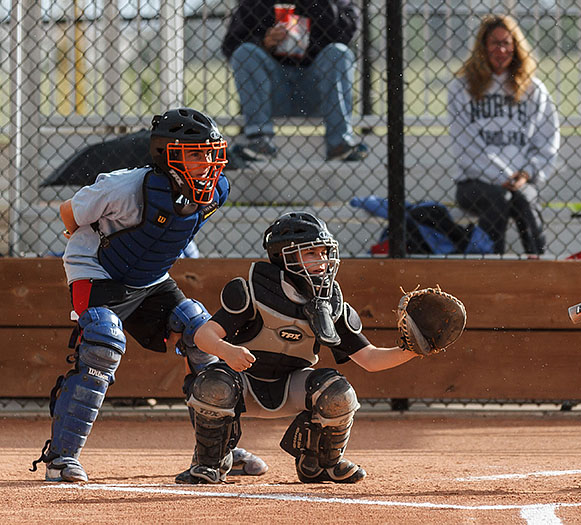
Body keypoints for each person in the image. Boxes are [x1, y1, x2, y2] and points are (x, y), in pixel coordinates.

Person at [29, 108, 245, 483]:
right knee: (102, 341)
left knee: (200, 331)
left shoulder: (214, 192)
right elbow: (69, 213)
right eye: (196, 153)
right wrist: (83, 241)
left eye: (211, 153)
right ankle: (62, 458)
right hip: (97, 271)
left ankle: (218, 450)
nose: (207, 162)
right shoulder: (123, 186)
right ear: (167, 153)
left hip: (151, 279)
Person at [174, 211, 420, 484]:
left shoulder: (330, 302)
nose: (322, 261)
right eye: (311, 253)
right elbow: (204, 335)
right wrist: (227, 351)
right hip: (243, 384)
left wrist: (412, 349)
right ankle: (211, 463)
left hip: (291, 386)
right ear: (284, 256)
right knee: (213, 384)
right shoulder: (251, 291)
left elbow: (370, 359)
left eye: (324, 252)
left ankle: (321, 462)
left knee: (338, 392)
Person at [448, 14, 560, 256]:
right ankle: (489, 271)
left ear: (516, 47)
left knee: (525, 200)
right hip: (474, 181)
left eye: (506, 43)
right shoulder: (462, 88)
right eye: (494, 43)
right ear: (483, 47)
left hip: (520, 180)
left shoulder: (533, 90)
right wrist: (501, 175)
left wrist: (526, 173)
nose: (501, 49)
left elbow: (548, 141)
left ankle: (540, 266)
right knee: (498, 199)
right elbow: (465, 145)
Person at [222, 0, 367, 161]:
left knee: (339, 53)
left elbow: (345, 34)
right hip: (273, 92)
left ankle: (339, 142)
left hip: (317, 91)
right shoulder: (256, 3)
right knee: (245, 52)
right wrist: (263, 42)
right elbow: (231, 45)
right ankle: (259, 140)